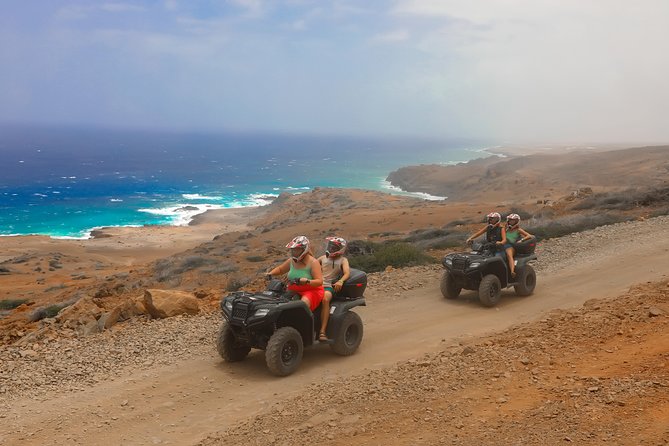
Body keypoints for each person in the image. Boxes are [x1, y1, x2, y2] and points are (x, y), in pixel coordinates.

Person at [267, 236, 324, 313]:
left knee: (302, 306)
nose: (294, 252)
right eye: (293, 250)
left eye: (296, 250)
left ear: (304, 249)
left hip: (311, 291)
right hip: (293, 289)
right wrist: (271, 273)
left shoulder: (313, 262)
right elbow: (280, 269)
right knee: (277, 303)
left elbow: (319, 282)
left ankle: (303, 324)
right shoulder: (291, 260)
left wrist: (307, 281)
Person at [317, 236, 350, 342]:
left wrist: (341, 281)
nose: (331, 248)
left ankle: (322, 331)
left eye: (334, 247)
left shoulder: (343, 260)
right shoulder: (322, 258)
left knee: (325, 299)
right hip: (316, 284)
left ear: (340, 249)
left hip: (328, 286)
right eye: (330, 246)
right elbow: (311, 267)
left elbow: (347, 273)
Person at [503, 213, 534, 278]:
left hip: (512, 247)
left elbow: (529, 236)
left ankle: (512, 271)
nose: (511, 222)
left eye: (513, 220)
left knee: (509, 255)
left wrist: (522, 240)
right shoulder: (506, 229)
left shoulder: (518, 230)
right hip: (503, 245)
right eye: (510, 220)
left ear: (516, 221)